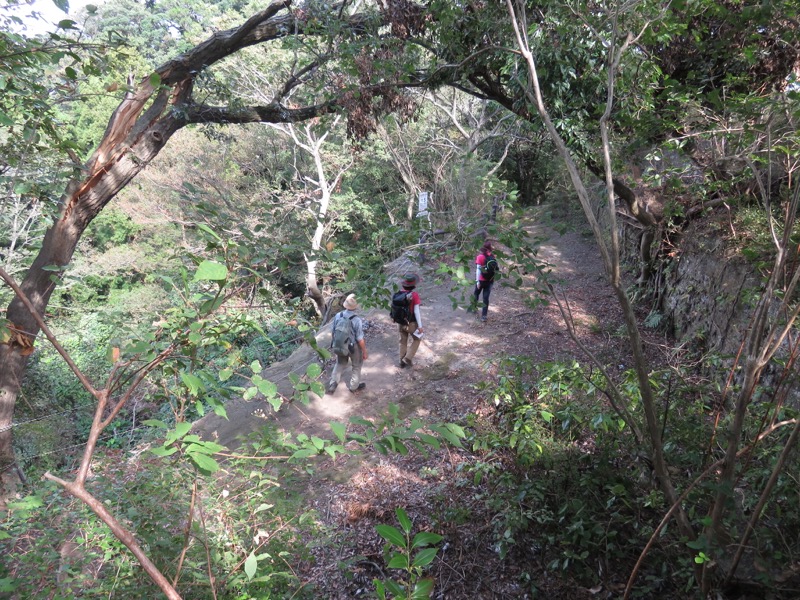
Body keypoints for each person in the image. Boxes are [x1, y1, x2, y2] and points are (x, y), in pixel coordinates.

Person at [326, 294, 368, 394]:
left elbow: (333, 332)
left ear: (345, 305)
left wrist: (337, 343)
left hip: (340, 344)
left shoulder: (338, 316)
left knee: (339, 363)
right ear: (355, 307)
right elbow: (360, 338)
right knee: (356, 366)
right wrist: (364, 351)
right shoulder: (357, 319)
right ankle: (354, 386)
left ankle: (333, 383)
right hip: (353, 347)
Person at [397, 273, 424, 368]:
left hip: (400, 323)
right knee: (417, 339)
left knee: (402, 341)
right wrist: (420, 326)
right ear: (414, 285)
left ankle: (401, 361)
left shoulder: (399, 294)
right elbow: (417, 312)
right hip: (411, 323)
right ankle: (408, 357)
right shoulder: (414, 295)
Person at [473, 240, 496, 322]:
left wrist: (477, 281)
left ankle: (474, 308)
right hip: (490, 281)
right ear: (490, 248)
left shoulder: (480, 257)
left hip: (481, 280)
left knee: (476, 293)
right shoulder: (493, 257)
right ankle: (484, 316)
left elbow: (478, 270)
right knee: (486, 298)